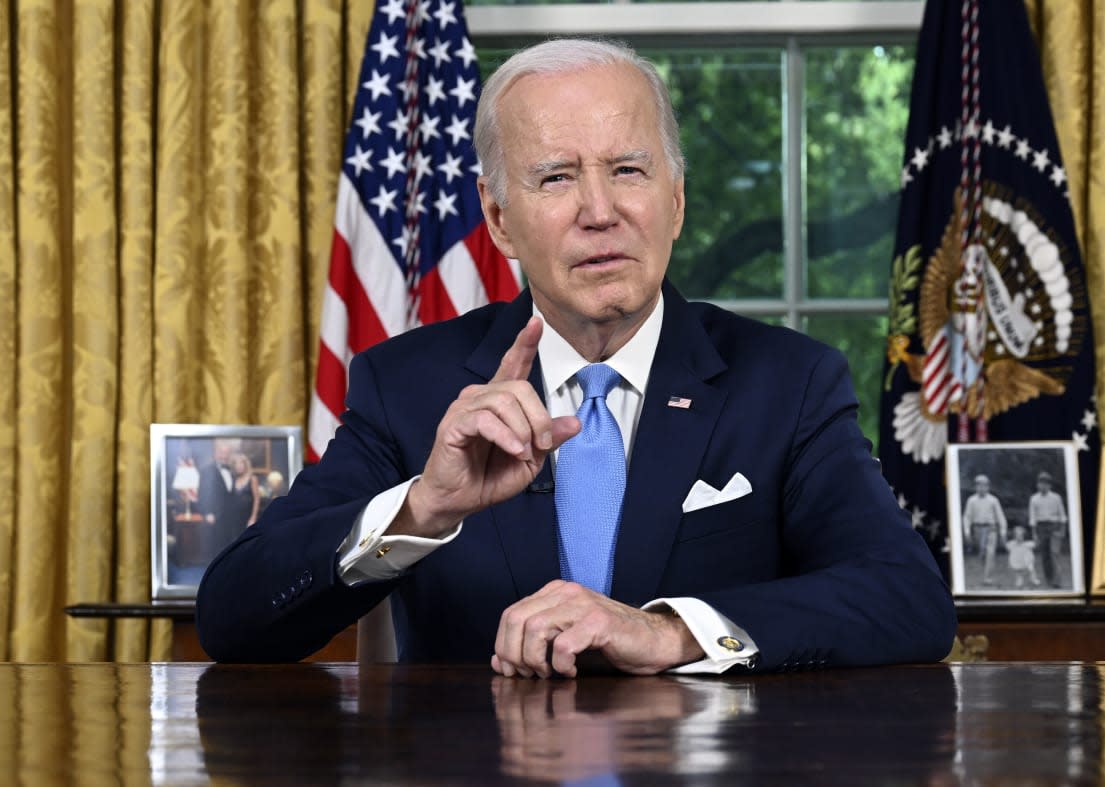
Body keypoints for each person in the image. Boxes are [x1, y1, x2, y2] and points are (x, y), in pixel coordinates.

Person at [195, 38, 956, 675]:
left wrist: (670, 632)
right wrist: (423, 506)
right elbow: (232, 616)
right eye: (556, 177)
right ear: (497, 218)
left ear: (677, 200)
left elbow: (907, 599)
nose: (601, 211)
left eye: (628, 170)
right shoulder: (411, 387)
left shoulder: (787, 383)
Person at [196, 438, 237, 563]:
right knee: (215, 547)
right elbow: (202, 493)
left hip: (230, 516)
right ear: (216, 453)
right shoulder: (207, 470)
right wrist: (207, 513)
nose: (224, 456)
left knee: (228, 544)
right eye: (222, 453)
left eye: (227, 453)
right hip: (215, 516)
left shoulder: (231, 470)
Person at [962, 474, 1007, 586]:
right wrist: (967, 531)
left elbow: (1000, 516)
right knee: (982, 554)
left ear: (988, 487)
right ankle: (986, 572)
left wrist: (1003, 531)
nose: (981, 488)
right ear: (976, 487)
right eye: (979, 485)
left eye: (984, 485)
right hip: (978, 529)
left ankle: (988, 578)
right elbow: (967, 517)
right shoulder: (971, 500)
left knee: (990, 553)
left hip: (991, 529)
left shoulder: (993, 500)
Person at [1027, 471, 1068, 588]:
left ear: (1050, 485)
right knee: (1045, 556)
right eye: (1041, 483)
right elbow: (1033, 517)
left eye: (1046, 483)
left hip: (1054, 526)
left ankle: (1057, 581)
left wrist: (1062, 530)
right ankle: (1049, 579)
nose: (1043, 486)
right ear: (1037, 485)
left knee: (1054, 553)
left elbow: (1062, 515)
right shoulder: (1034, 499)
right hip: (1041, 527)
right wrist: (1034, 533)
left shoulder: (1056, 498)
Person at [225, 451, 262, 531]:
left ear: (245, 465)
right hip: (235, 517)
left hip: (248, 516)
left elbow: (257, 499)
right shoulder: (234, 479)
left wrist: (253, 518)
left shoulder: (252, 478)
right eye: (236, 464)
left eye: (241, 463)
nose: (239, 466)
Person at [1004, 525, 1039, 589]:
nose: (1019, 537)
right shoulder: (1012, 544)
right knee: (1018, 572)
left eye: (1021, 536)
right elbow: (1006, 546)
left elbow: (1036, 544)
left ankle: (1033, 579)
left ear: (1023, 536)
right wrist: (1003, 536)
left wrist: (1035, 537)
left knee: (1031, 569)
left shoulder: (1027, 544)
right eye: (1017, 536)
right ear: (1014, 536)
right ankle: (1019, 580)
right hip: (1017, 561)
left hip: (1026, 562)